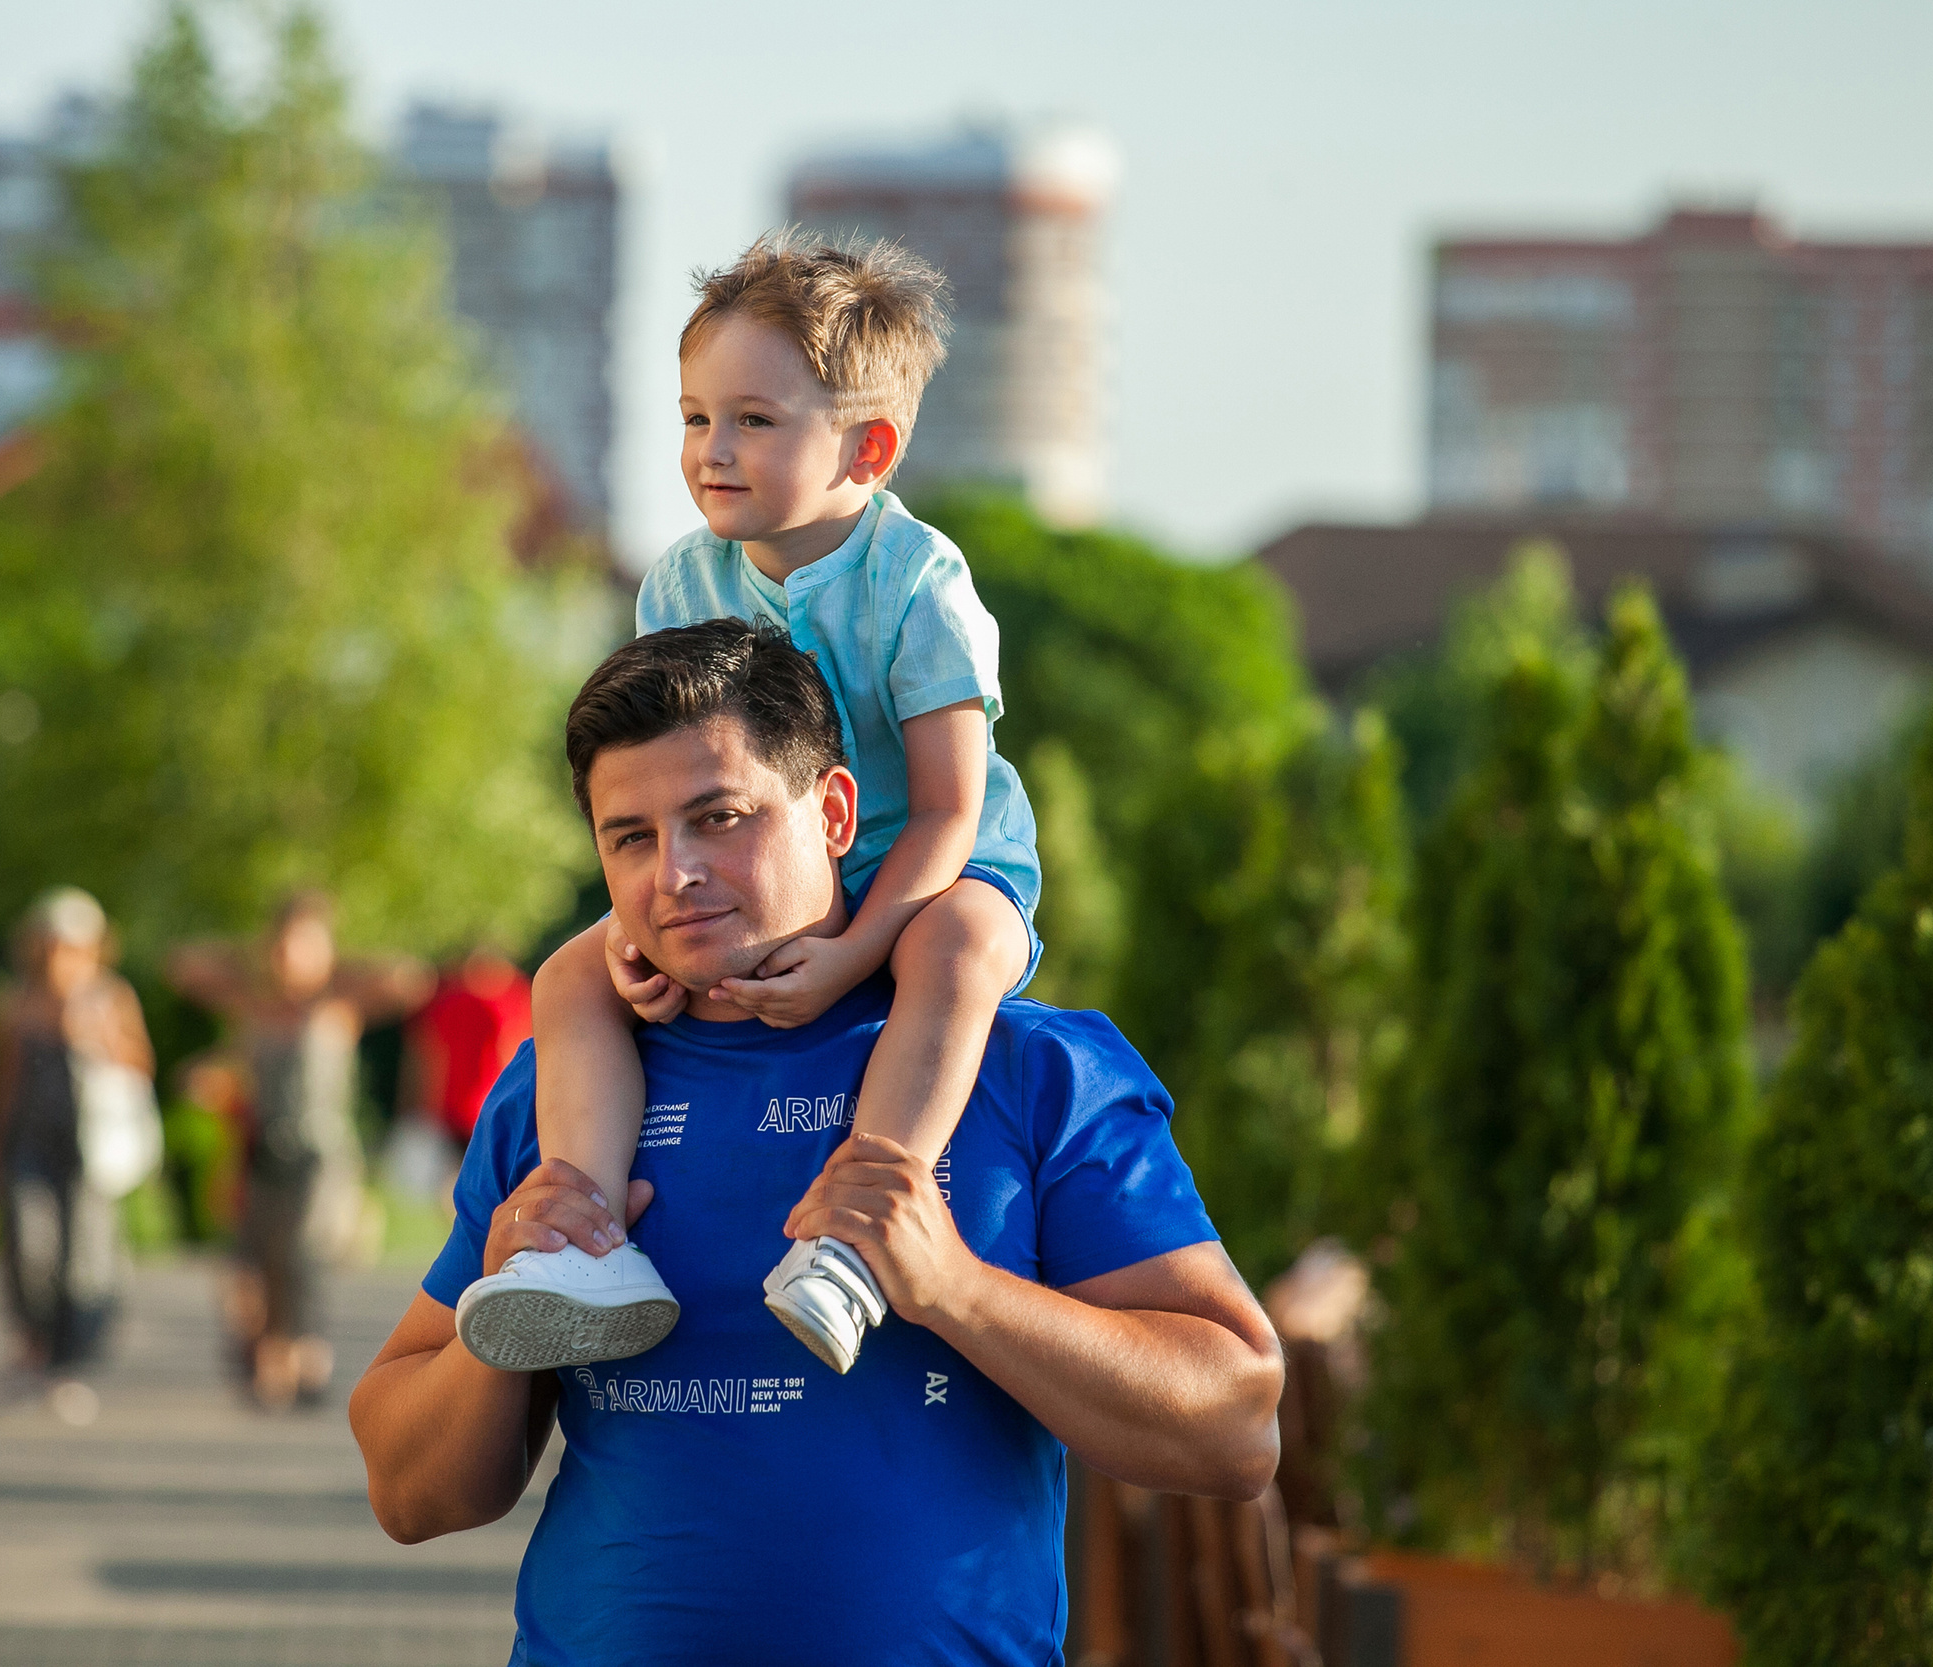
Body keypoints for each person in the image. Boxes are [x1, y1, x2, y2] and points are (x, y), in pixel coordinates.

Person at [350, 621, 1281, 1665]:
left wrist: (957, 1291)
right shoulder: (565, 1093)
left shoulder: (1030, 1069)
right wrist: (504, 1310)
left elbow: (1234, 1426)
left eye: (720, 818)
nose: (676, 875)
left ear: (834, 812)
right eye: (631, 838)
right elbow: (408, 1495)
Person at [473, 231, 1040, 1377]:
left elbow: (945, 812)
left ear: (864, 449)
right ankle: (583, 1238)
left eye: (754, 421)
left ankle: (857, 1235)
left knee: (966, 945)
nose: (711, 450)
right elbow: (656, 791)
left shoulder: (918, 585)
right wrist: (637, 933)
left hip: (924, 868)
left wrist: (851, 953)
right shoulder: (679, 583)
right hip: (754, 878)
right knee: (571, 975)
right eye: (693, 418)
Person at [168, 894, 431, 1410]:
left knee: (298, 1257)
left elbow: (411, 977)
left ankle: (297, 1359)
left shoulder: (338, 1005)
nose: (291, 956)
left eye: (304, 945)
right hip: (257, 1150)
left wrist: (331, 965)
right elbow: (184, 966)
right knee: (248, 1263)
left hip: (320, 1156)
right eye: (283, 945)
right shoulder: (254, 1004)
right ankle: (271, 1357)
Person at [0, 887, 154, 1418]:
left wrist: (96, 1038)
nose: (60, 957)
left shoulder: (110, 998)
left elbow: (141, 1067)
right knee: (27, 1247)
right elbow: (0, 1082)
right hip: (30, 1143)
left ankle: (68, 1365)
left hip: (89, 1147)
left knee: (83, 1259)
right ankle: (32, 1346)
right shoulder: (17, 1002)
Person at [412, 949, 534, 1151]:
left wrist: (425, 1109)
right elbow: (513, 1054)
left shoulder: (445, 999)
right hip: (492, 1109)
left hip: (449, 1111)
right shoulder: (511, 998)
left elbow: (429, 1060)